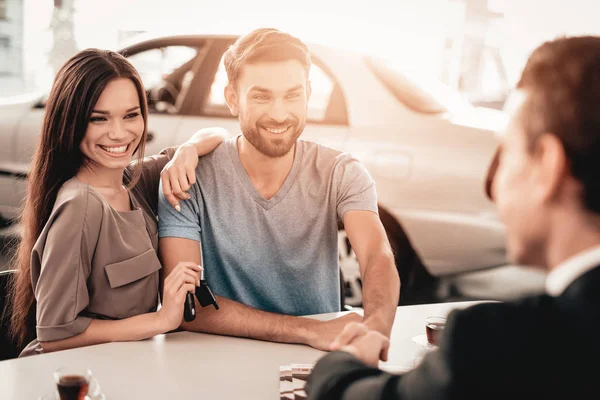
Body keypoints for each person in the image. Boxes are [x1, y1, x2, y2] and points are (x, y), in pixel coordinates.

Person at [306, 35, 600, 399]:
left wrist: (342, 361)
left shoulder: (498, 345)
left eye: (505, 151)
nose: (492, 187)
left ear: (547, 167)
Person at [157, 28, 400, 350]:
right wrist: (310, 331)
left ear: (308, 95)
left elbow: (376, 257)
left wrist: (377, 329)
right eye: (261, 96)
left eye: (292, 95)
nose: (279, 113)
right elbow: (187, 306)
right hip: (221, 354)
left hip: (320, 356)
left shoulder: (342, 172)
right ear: (233, 99)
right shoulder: (186, 178)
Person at [7, 48, 226, 357]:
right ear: (70, 122)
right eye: (99, 119)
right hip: (79, 378)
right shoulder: (79, 207)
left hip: (129, 366)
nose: (119, 133)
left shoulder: (135, 181)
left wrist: (188, 149)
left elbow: (219, 134)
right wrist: (162, 319)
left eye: (131, 115)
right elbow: (56, 336)